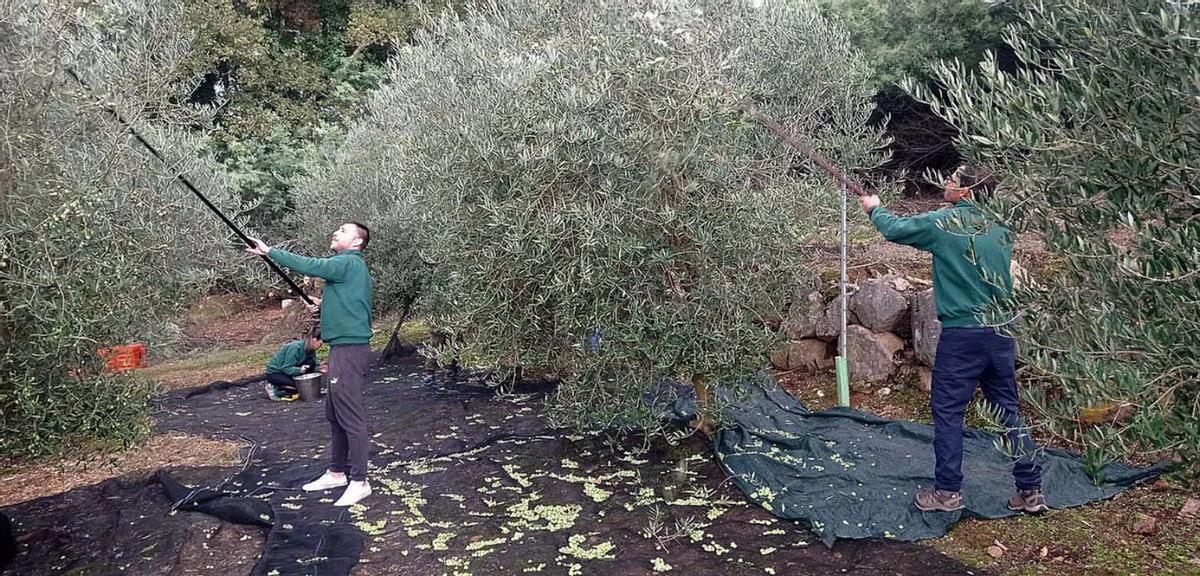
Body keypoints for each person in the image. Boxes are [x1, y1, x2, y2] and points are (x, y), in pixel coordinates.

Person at [861, 165, 1047, 514]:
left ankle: (947, 493)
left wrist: (874, 208)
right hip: (1001, 331)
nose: (947, 181)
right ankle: (1031, 490)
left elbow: (894, 229)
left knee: (948, 413)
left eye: (955, 179)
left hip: (962, 336)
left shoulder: (945, 223)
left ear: (969, 192)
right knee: (1009, 412)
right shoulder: (1001, 225)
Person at [246, 222, 375, 507]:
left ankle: (360, 481)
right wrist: (324, 305)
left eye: (343, 231)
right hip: (343, 348)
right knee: (334, 413)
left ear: (356, 243)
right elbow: (353, 305)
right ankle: (337, 472)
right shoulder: (351, 271)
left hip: (350, 351)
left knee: (350, 416)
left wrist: (268, 251)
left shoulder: (347, 262)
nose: (335, 233)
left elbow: (311, 265)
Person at [264, 333, 322, 401]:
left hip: (292, 370)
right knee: (298, 388)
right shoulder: (295, 347)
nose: (320, 346)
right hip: (276, 373)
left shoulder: (311, 350)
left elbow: (313, 365)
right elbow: (286, 368)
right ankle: (274, 387)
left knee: (310, 363)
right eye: (320, 344)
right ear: (314, 340)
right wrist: (300, 370)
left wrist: (320, 369)